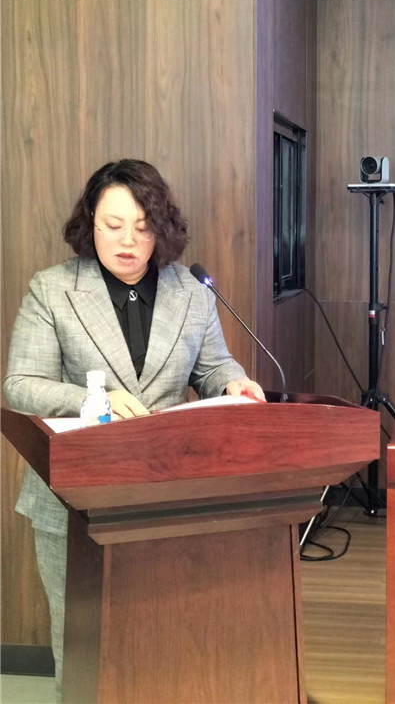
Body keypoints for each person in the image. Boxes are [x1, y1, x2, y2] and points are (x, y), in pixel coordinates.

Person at [4, 159, 265, 700]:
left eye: (143, 227)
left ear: (162, 229)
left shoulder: (189, 290)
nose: (128, 241)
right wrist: (92, 400)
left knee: (167, 637)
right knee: (83, 643)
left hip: (166, 494)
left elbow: (213, 367)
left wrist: (233, 382)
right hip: (74, 498)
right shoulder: (53, 289)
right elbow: (21, 384)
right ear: (90, 223)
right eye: (113, 224)